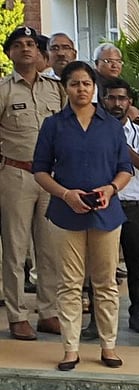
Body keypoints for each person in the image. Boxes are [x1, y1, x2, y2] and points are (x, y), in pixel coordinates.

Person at [32, 61, 133, 371]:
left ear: (95, 88)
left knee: (105, 282)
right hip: (66, 212)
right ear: (66, 88)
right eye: (74, 84)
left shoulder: (112, 125)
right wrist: (65, 194)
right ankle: (70, 348)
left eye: (86, 84)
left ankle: (108, 346)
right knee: (70, 283)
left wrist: (111, 189)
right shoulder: (54, 125)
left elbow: (125, 169)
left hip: (106, 212)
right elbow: (40, 170)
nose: (81, 89)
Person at [1, 26, 65, 341]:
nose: (26, 48)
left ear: (40, 53)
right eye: (18, 44)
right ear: (9, 53)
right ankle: (17, 315)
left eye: (31, 44)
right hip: (15, 174)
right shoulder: (3, 91)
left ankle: (48, 311)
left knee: (51, 248)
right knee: (15, 249)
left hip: (51, 178)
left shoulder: (56, 90)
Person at [101, 78, 139, 334]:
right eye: (112, 98)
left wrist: (118, 142)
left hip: (134, 205)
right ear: (103, 101)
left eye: (122, 99)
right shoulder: (94, 132)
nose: (116, 104)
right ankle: (98, 319)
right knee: (102, 265)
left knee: (136, 262)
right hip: (105, 203)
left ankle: (138, 313)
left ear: (130, 103)